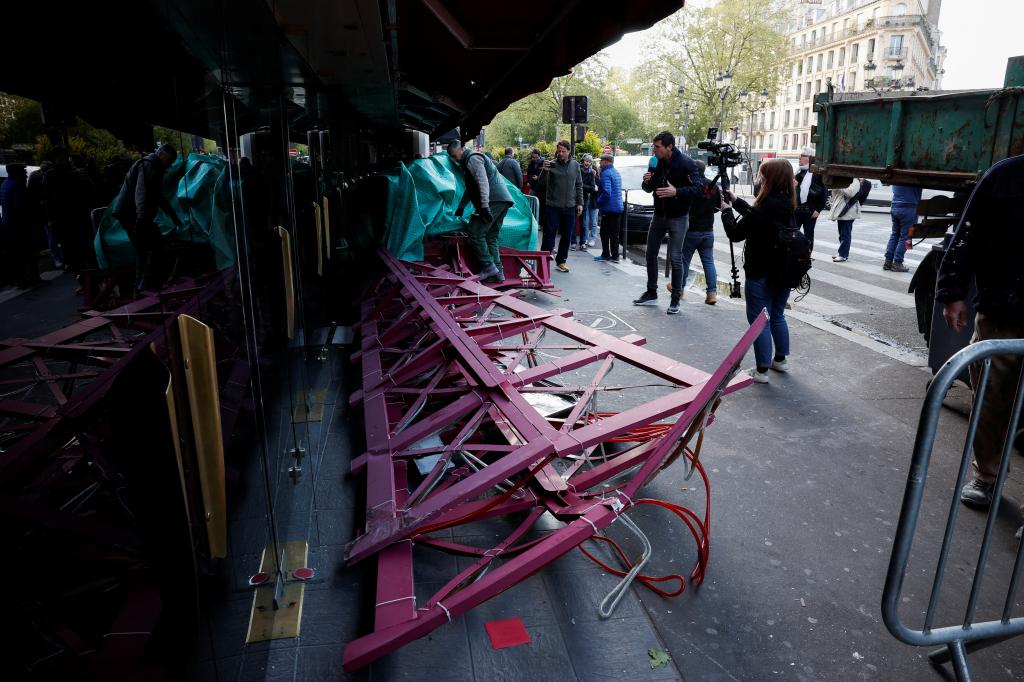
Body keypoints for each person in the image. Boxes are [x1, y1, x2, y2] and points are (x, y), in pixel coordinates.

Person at [935, 154, 1024, 512]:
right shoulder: (1006, 175)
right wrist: (953, 292)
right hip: (1005, 310)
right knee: (991, 396)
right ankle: (986, 477)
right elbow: (968, 233)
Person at [720, 158, 797, 384]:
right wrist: (736, 202)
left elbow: (736, 233)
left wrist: (726, 211)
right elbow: (757, 216)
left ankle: (761, 370)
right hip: (783, 271)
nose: (760, 178)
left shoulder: (764, 208)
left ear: (770, 179)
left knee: (759, 321)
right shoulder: (788, 204)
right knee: (778, 315)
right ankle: (780, 360)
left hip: (760, 271)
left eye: (763, 175)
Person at [633, 131, 703, 314]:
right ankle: (651, 292)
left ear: (669, 147)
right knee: (650, 253)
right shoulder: (656, 162)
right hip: (659, 214)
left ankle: (675, 299)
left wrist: (677, 192)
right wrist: (646, 181)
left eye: (657, 147)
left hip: (678, 216)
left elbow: (698, 189)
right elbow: (649, 188)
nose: (654, 150)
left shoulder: (686, 163)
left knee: (675, 258)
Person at [113, 144, 184, 296]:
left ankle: (141, 287)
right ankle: (143, 286)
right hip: (130, 214)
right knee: (149, 246)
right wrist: (142, 221)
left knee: (147, 246)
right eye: (170, 161)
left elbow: (159, 196)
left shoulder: (155, 168)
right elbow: (141, 194)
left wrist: (173, 216)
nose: (171, 165)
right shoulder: (148, 167)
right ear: (162, 155)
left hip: (134, 214)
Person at [449, 141, 514, 284]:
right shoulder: (467, 162)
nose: (456, 160)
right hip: (503, 200)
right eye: (453, 158)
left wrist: (484, 207)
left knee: (474, 232)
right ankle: (498, 274)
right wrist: (461, 207)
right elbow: (470, 188)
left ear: (462, 149)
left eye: (455, 156)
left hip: (493, 200)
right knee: (491, 236)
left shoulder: (473, 158)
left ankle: (488, 266)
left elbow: (482, 182)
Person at [44, 146, 95, 275]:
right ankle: (82, 277)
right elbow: (48, 198)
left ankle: (87, 276)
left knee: (84, 249)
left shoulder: (75, 173)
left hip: (78, 216)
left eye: (65, 158)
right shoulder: (52, 175)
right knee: (72, 251)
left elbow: (90, 191)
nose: (64, 161)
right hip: (64, 218)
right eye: (60, 159)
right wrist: (50, 218)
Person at [678, 160, 720, 305]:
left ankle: (679, 288)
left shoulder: (691, 186)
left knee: (684, 260)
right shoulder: (713, 185)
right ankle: (711, 293)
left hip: (691, 229)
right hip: (708, 229)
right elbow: (718, 207)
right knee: (708, 262)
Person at [538, 140, 582, 273]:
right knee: (549, 234)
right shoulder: (551, 164)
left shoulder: (575, 165)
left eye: (563, 151)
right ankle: (543, 261)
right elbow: (541, 184)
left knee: (567, 235)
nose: (561, 153)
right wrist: (544, 171)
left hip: (570, 206)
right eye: (559, 151)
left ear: (569, 151)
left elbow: (579, 185)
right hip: (553, 205)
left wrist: (580, 203)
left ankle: (561, 261)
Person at [1, 163, 42, 287]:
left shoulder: (4, 185)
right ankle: (33, 278)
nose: (25, 174)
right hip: (20, 227)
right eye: (22, 172)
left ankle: (20, 280)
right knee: (29, 253)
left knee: (16, 256)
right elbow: (20, 209)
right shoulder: (18, 186)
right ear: (16, 173)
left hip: (8, 226)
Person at [794, 146, 827, 252]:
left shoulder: (817, 174)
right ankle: (794, 254)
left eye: (802, 156)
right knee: (794, 233)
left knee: (808, 234)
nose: (799, 158)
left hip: (810, 210)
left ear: (809, 158)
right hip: (797, 209)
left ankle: (806, 256)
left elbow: (824, 193)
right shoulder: (799, 173)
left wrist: (818, 209)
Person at [884, 184, 922, 273]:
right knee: (907, 236)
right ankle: (898, 262)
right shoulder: (914, 178)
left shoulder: (897, 177)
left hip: (895, 206)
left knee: (895, 235)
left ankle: (888, 261)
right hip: (909, 208)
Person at [594, 153, 623, 262]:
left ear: (606, 162)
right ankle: (615, 256)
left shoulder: (606, 173)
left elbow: (607, 192)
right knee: (614, 233)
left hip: (609, 208)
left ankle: (606, 254)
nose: (600, 163)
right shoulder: (616, 172)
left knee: (604, 232)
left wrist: (598, 201)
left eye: (601, 161)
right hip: (617, 207)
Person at [828, 178, 865, 262]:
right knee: (841, 233)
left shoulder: (855, 181)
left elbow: (850, 193)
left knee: (845, 234)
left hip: (848, 211)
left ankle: (843, 254)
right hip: (841, 210)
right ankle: (841, 251)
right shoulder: (846, 180)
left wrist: (840, 186)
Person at [575, 153, 600, 251]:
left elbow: (594, 187)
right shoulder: (579, 171)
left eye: (589, 161)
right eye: (586, 161)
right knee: (585, 221)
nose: (587, 163)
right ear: (583, 161)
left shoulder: (593, 173)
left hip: (593, 200)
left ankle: (591, 239)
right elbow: (578, 185)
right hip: (584, 200)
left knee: (593, 221)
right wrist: (586, 187)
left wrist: (582, 186)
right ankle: (584, 240)